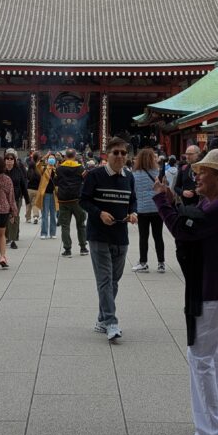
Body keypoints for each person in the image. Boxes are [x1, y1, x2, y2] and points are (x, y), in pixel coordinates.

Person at [153, 149, 218, 435]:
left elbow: (183, 230)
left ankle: (210, 433)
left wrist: (162, 202)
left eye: (203, 171)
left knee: (200, 357)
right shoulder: (216, 203)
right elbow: (191, 219)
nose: (197, 176)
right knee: (214, 354)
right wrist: (174, 202)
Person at [80, 137, 137, 342]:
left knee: (114, 280)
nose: (120, 156)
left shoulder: (129, 177)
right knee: (105, 279)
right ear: (107, 154)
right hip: (99, 235)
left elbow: (132, 200)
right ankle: (112, 322)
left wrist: (133, 213)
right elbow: (83, 200)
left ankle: (102, 319)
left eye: (123, 153)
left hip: (121, 235)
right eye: (116, 153)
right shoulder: (95, 175)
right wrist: (99, 213)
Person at [131, 147, 165, 272]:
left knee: (143, 237)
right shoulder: (158, 172)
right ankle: (161, 263)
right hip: (157, 208)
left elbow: (133, 192)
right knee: (158, 236)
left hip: (142, 209)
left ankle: (143, 262)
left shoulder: (134, 174)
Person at [57, 148, 88, 257]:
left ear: (65, 156)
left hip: (63, 200)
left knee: (65, 226)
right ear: (75, 156)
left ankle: (67, 250)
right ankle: (83, 248)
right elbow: (85, 180)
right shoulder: (80, 168)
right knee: (81, 225)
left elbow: (56, 181)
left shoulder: (59, 168)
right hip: (77, 200)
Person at [4, 149, 29, 249]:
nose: (9, 161)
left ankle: (13, 239)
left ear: (14, 161)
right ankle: (7, 236)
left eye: (11, 159)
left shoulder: (18, 171)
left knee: (15, 218)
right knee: (6, 218)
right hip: (4, 200)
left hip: (16, 198)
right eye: (7, 159)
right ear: (5, 160)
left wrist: (27, 200)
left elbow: (23, 185)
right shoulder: (2, 171)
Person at [36, 154, 59, 239]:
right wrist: (44, 157)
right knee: (44, 214)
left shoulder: (57, 169)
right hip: (45, 194)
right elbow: (38, 165)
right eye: (50, 158)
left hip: (54, 194)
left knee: (53, 214)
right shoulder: (44, 168)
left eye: (53, 158)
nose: (51, 159)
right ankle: (44, 233)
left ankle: (53, 233)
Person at [26, 155, 41, 224]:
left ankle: (28, 218)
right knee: (35, 204)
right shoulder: (38, 173)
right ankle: (35, 216)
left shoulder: (28, 172)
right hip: (36, 190)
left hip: (29, 190)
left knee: (28, 204)